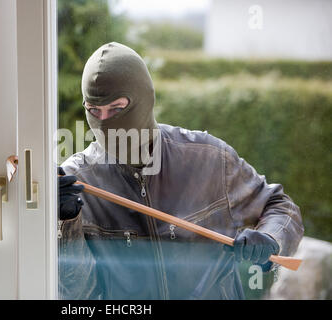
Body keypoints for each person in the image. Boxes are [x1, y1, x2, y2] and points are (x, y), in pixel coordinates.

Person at [58, 42, 304, 300]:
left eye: (117, 109)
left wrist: (270, 238)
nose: (105, 123)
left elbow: (280, 205)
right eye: (94, 111)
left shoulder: (208, 159)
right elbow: (78, 295)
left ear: (145, 100)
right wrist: (66, 222)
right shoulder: (78, 181)